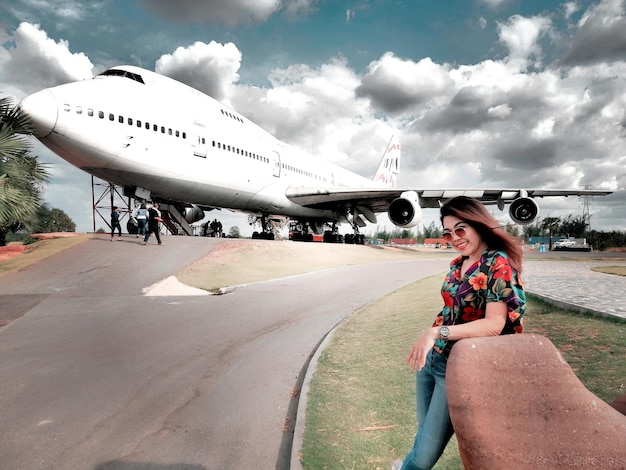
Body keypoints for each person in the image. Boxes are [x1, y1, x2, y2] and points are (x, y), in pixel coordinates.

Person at [393, 196, 526, 470]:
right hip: (430, 362)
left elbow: (493, 325)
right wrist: (433, 337)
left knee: (424, 456)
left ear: (478, 225)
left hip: (456, 369)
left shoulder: (497, 264)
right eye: (448, 232)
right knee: (422, 441)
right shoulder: (458, 263)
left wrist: (435, 333)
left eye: (461, 229)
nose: (454, 237)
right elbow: (451, 309)